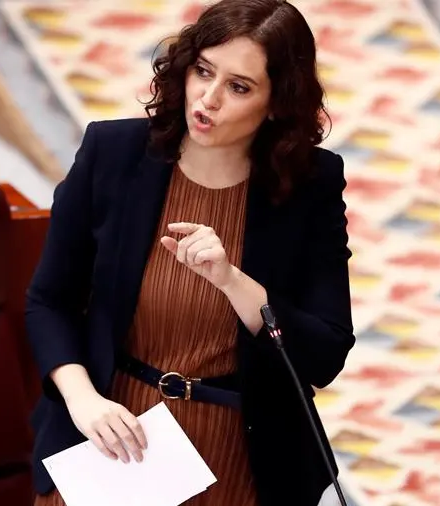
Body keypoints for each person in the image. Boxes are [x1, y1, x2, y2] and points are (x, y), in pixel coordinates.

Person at [25, 0, 354, 504]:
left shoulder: (311, 184)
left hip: (243, 446)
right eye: (203, 71)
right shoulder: (112, 153)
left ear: (276, 103)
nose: (208, 98)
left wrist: (233, 281)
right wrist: (82, 400)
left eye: (239, 87)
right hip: (112, 429)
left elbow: (325, 353)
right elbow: (49, 300)